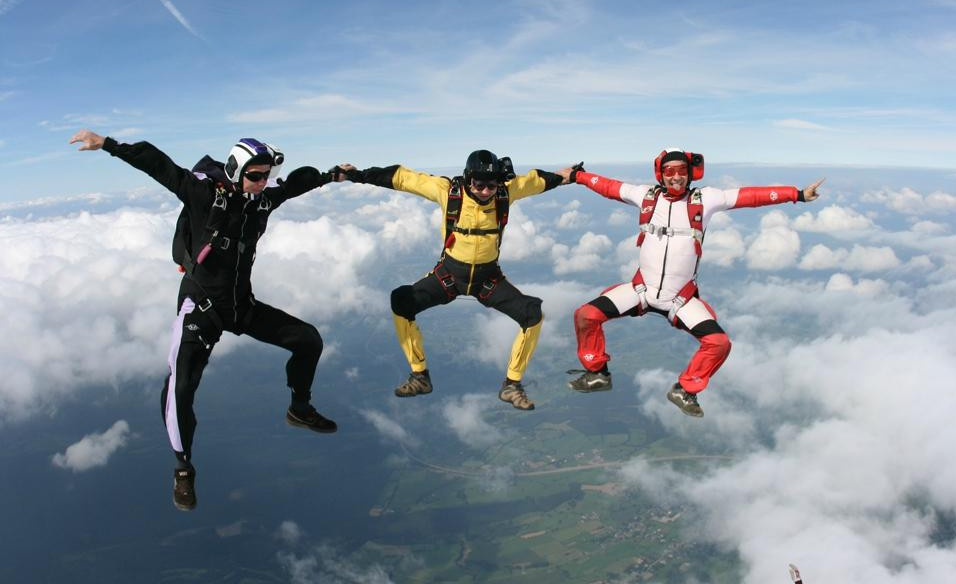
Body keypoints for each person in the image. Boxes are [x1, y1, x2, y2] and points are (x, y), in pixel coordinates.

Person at [70, 129, 341, 511]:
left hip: (239, 306)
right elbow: (158, 164)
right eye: (255, 176)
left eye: (265, 176)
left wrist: (332, 174)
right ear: (235, 171)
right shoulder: (203, 194)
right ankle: (183, 468)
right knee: (181, 388)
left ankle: (299, 408)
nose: (262, 184)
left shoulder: (260, 199)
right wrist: (109, 145)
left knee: (308, 340)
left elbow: (294, 185)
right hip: (200, 307)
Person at [566, 148, 823, 417]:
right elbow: (608, 187)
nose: (675, 177)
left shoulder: (705, 200)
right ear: (660, 174)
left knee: (719, 343)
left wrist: (798, 195)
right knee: (586, 315)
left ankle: (685, 390)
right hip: (642, 290)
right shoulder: (645, 196)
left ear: (690, 174)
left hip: (680, 298)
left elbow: (751, 196)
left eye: (681, 171)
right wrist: (578, 176)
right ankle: (597, 374)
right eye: (669, 171)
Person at [337, 151, 576, 410]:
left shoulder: (507, 191)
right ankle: (420, 376)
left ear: (499, 182)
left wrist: (567, 176)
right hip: (449, 276)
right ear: (467, 179)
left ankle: (512, 385)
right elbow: (403, 178)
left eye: (491, 185)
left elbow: (538, 181)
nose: (485, 191)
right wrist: (357, 175)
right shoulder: (449, 191)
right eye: (479, 184)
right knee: (401, 301)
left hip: (488, 280)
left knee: (532, 313)